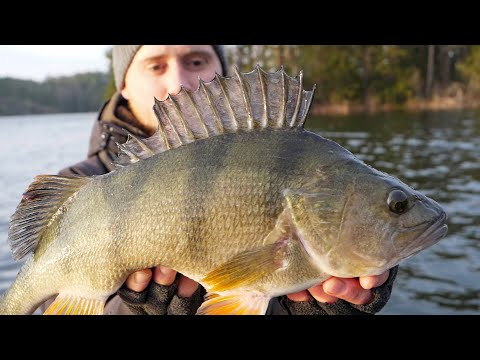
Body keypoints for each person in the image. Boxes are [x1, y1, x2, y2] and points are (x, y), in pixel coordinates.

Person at [45, 45, 398, 315]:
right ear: (123, 83)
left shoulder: (302, 162)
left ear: (222, 72)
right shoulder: (78, 187)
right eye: (156, 65)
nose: (179, 84)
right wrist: (131, 309)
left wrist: (330, 297)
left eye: (197, 61)